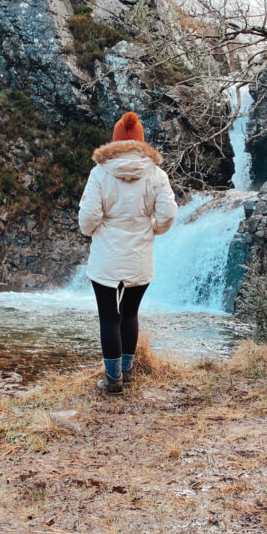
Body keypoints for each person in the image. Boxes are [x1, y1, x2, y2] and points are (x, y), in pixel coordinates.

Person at [78, 111, 178, 393]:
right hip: (139, 257)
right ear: (140, 141)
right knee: (130, 313)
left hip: (106, 258)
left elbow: (87, 219)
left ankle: (113, 381)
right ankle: (127, 372)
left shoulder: (99, 173)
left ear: (115, 141)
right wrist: (155, 228)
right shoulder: (156, 174)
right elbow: (168, 212)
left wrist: (97, 228)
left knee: (109, 317)